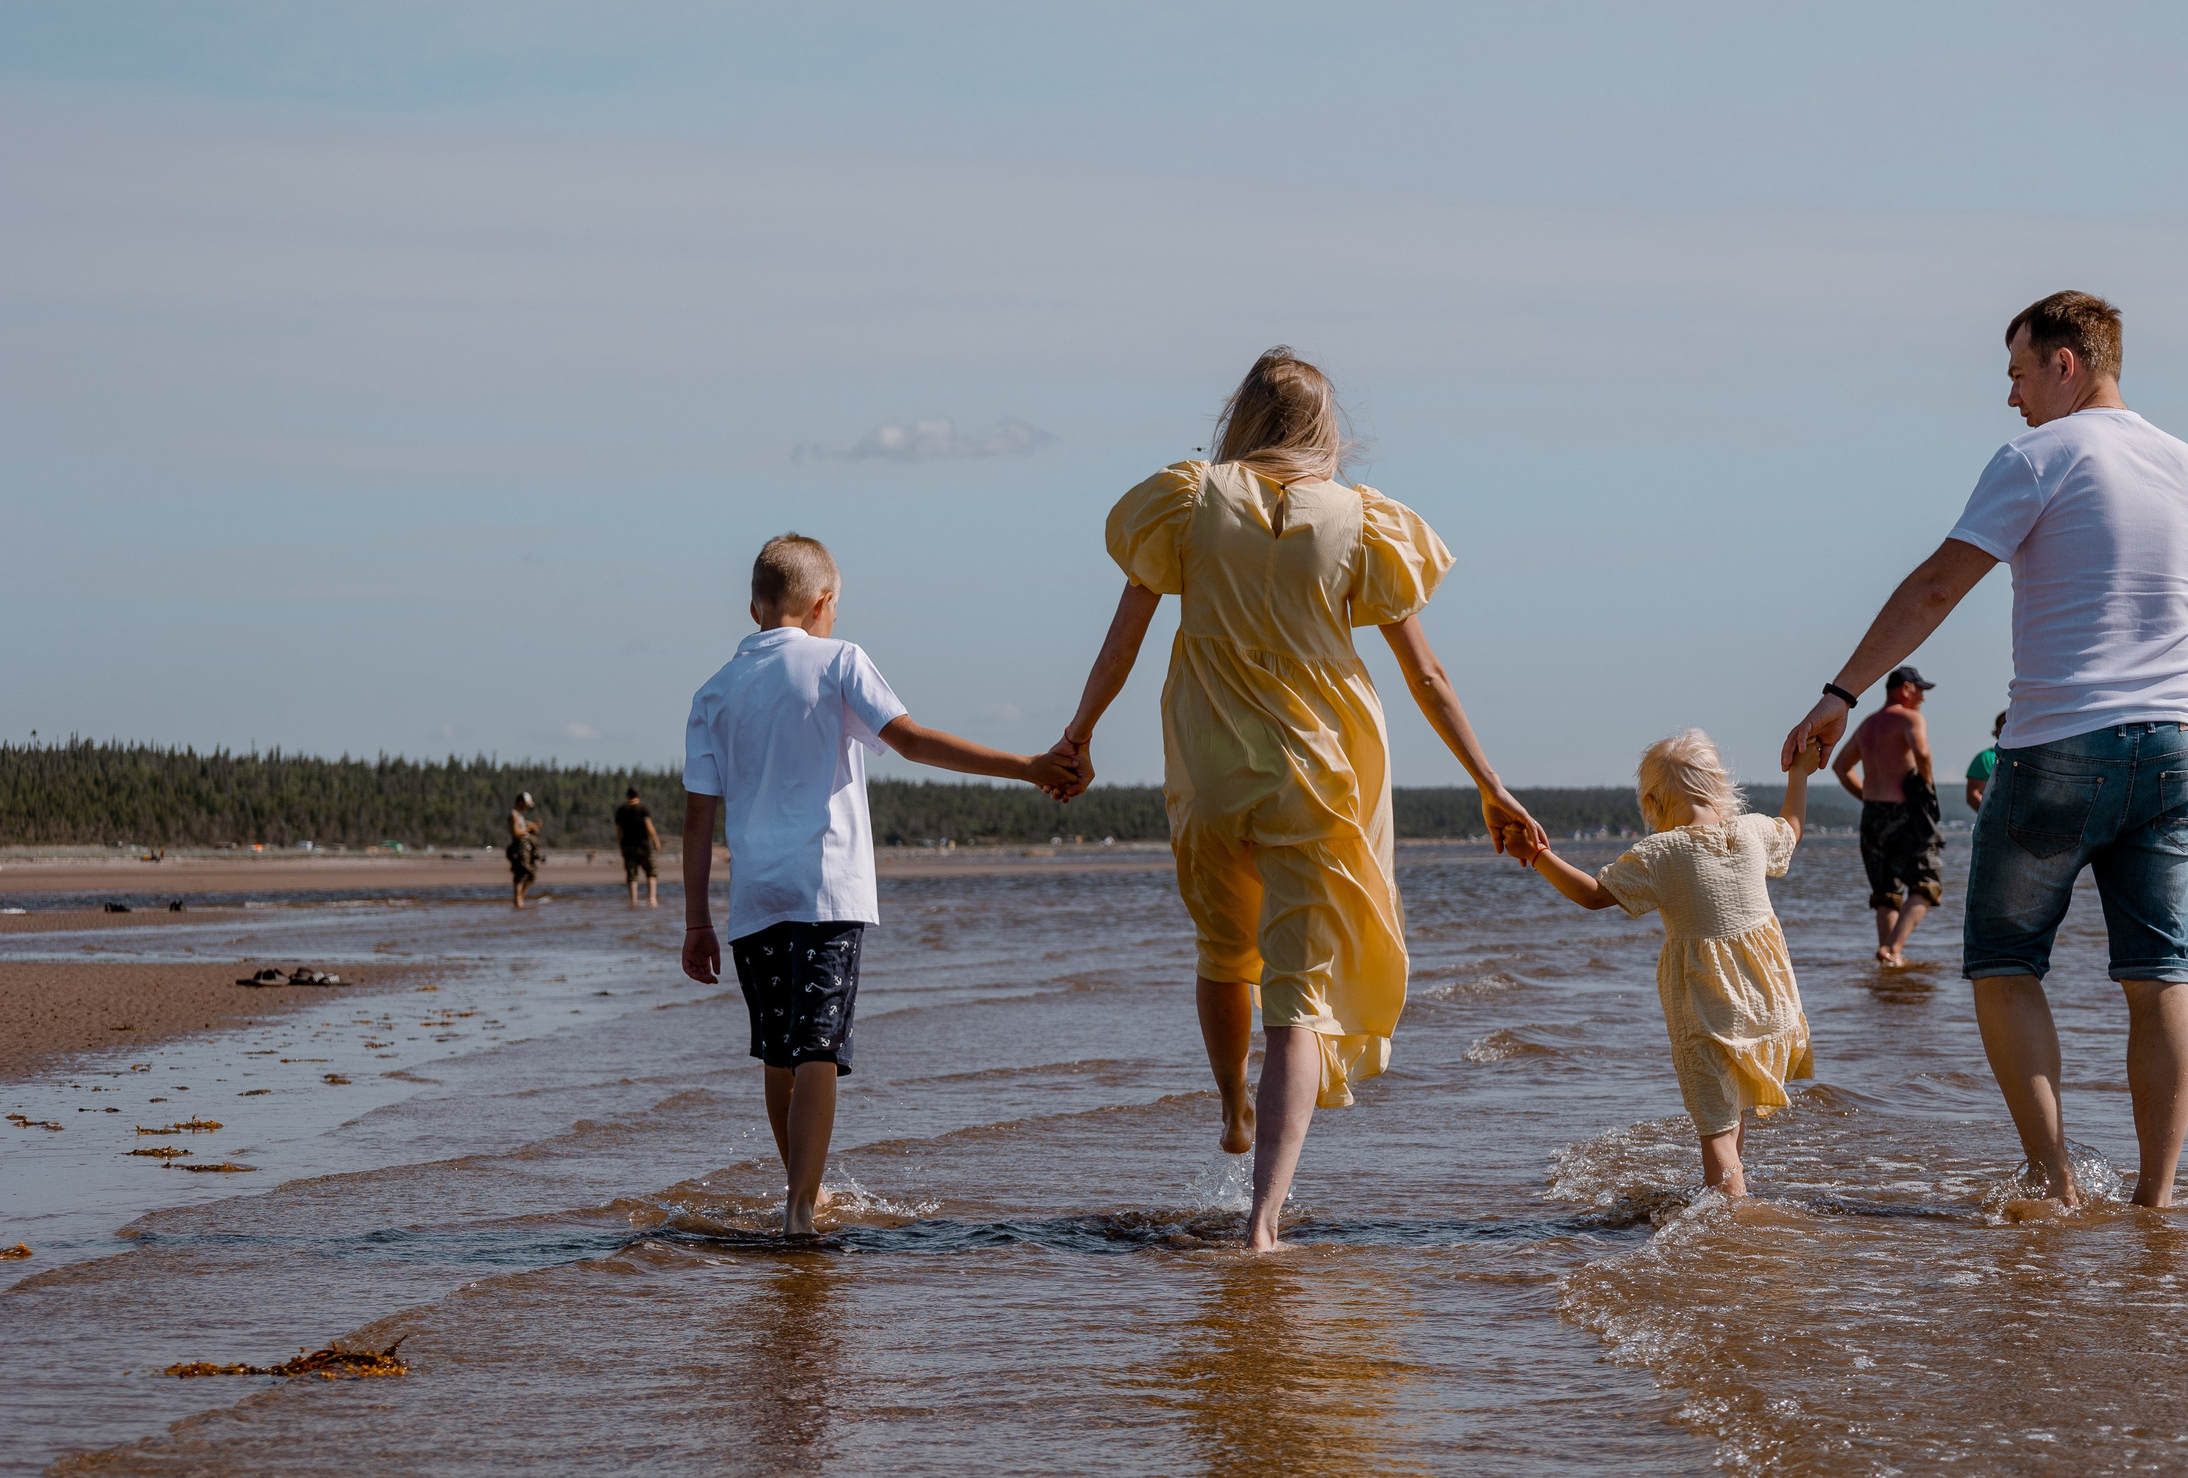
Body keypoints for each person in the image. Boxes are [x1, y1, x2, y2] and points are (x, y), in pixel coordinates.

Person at [1783, 290, 2188, 1211]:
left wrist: (1841, 691)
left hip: (2058, 743)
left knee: (2005, 961)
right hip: (2176, 750)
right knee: (2159, 972)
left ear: (2066, 363)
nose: (2010, 397)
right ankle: (2155, 1201)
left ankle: (2052, 1181)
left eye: (2017, 373)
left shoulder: (2038, 456)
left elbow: (1937, 587)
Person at [1050, 348, 1544, 1252]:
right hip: (1320, 773)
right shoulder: (1363, 520)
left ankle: (1233, 1105)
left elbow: (1123, 637)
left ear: (1240, 416)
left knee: (1221, 950)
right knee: (1298, 997)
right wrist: (1491, 782)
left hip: (1209, 767)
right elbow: (1425, 672)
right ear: (1326, 427)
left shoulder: (1189, 499)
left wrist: (1077, 734)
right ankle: (1265, 1218)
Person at [680, 533, 1080, 1236]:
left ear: (754, 606)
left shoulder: (713, 690)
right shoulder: (839, 660)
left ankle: (804, 1189)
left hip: (754, 902)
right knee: (818, 1048)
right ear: (824, 602)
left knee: (779, 1050)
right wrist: (1030, 765)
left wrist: (695, 922)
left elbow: (696, 821)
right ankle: (801, 1208)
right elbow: (913, 740)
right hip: (826, 889)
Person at [1503, 730, 1816, 1203]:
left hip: (1705, 1008)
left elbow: (1592, 895)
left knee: (1715, 1127)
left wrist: (1538, 855)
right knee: (1732, 1114)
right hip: (1768, 1002)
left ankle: (1731, 1228)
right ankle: (1730, 1202)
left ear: (1651, 800)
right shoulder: (1752, 831)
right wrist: (1799, 772)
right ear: (1719, 784)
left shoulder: (1662, 853)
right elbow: (1791, 826)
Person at [1831, 665, 1941, 967]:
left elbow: (1840, 767)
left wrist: (1867, 795)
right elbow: (1922, 751)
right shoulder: (1910, 718)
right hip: (1904, 812)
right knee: (1926, 886)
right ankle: (1893, 948)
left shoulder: (1868, 725)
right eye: (1919, 690)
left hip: (1872, 815)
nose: (1922, 698)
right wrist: (1927, 787)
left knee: (1886, 891)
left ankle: (1889, 956)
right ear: (1905, 688)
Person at [614, 787, 661, 909]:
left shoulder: (621, 810)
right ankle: (652, 899)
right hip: (644, 846)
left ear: (627, 796)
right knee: (651, 872)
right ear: (638, 795)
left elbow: (619, 831)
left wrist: (621, 845)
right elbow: (649, 827)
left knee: (632, 874)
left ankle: (633, 901)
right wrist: (656, 841)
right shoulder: (642, 809)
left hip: (628, 847)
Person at [1965, 711, 2008, 812]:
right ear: (1997, 730)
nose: (2009, 728)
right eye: (2005, 724)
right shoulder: (1985, 758)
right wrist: (1995, 816)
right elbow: (1973, 795)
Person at [506, 792, 541, 909]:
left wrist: (532, 827)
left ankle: (520, 898)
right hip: (519, 849)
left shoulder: (519, 816)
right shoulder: (514, 815)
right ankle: (518, 900)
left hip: (525, 848)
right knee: (521, 875)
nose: (527, 807)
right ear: (521, 802)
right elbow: (516, 833)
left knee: (530, 875)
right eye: (526, 805)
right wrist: (529, 828)